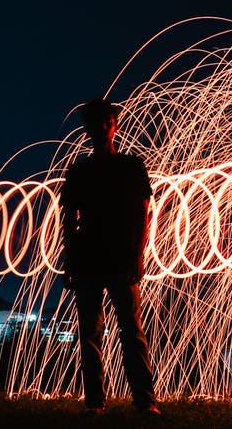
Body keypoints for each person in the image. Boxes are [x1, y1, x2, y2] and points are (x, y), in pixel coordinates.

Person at [60, 98, 160, 416]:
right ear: (88, 128)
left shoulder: (131, 166)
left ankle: (145, 400)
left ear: (114, 125)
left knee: (131, 331)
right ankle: (96, 402)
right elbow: (68, 218)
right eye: (96, 122)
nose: (103, 127)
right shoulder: (80, 170)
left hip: (120, 257)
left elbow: (143, 213)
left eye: (107, 121)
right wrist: (69, 259)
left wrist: (138, 255)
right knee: (91, 333)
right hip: (89, 257)